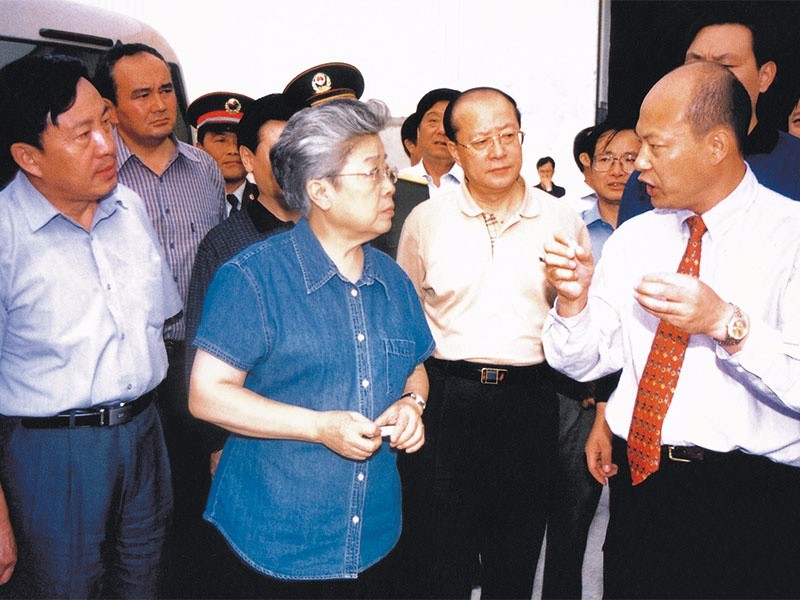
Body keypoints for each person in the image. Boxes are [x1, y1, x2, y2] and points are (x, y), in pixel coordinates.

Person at [542, 61, 800, 599]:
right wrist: (573, 303)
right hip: (645, 489)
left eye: (656, 147)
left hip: (754, 499)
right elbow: (586, 361)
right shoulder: (636, 239)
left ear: (717, 145)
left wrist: (726, 325)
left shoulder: (790, 239)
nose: (639, 163)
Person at [188, 98, 434, 599]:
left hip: (375, 535)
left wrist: (413, 403)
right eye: (372, 173)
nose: (390, 186)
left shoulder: (392, 279)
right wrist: (319, 428)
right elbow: (207, 395)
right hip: (277, 538)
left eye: (387, 171)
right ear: (320, 190)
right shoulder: (253, 277)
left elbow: (414, 365)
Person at [0, 53, 181, 598]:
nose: (107, 146)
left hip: (145, 433)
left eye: (106, 122)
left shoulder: (130, 208)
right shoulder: (7, 235)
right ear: (28, 157)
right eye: (83, 135)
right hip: (54, 453)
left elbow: (157, 321)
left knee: (144, 584)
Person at [396, 87, 589, 599]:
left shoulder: (560, 219)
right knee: (442, 561)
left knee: (515, 558)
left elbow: (581, 314)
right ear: (455, 150)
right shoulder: (425, 221)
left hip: (531, 399)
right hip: (448, 400)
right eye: (481, 141)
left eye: (509, 136)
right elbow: (405, 320)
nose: (499, 151)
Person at [93, 41, 226, 599]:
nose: (159, 104)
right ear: (111, 107)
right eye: (141, 94)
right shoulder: (100, 176)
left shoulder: (204, 169)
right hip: (136, 370)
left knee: (199, 503)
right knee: (136, 518)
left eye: (166, 90)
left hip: (203, 361)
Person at [542, 118, 639, 599]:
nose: (619, 170)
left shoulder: (662, 231)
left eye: (630, 158)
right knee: (571, 516)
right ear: (587, 168)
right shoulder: (570, 228)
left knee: (632, 527)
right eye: (607, 159)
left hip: (639, 395)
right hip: (579, 394)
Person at [618, 9, 800, 224]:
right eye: (694, 64)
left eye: (725, 66)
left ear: (765, 76)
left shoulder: (794, 163)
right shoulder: (648, 175)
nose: (706, 77)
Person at [374, 88, 461, 260]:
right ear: (418, 131)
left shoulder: (478, 185)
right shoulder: (393, 185)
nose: (442, 130)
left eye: (449, 122)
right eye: (433, 121)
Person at [187, 91, 256, 215]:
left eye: (240, 140)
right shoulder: (186, 203)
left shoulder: (270, 203)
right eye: (221, 140)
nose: (233, 150)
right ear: (200, 149)